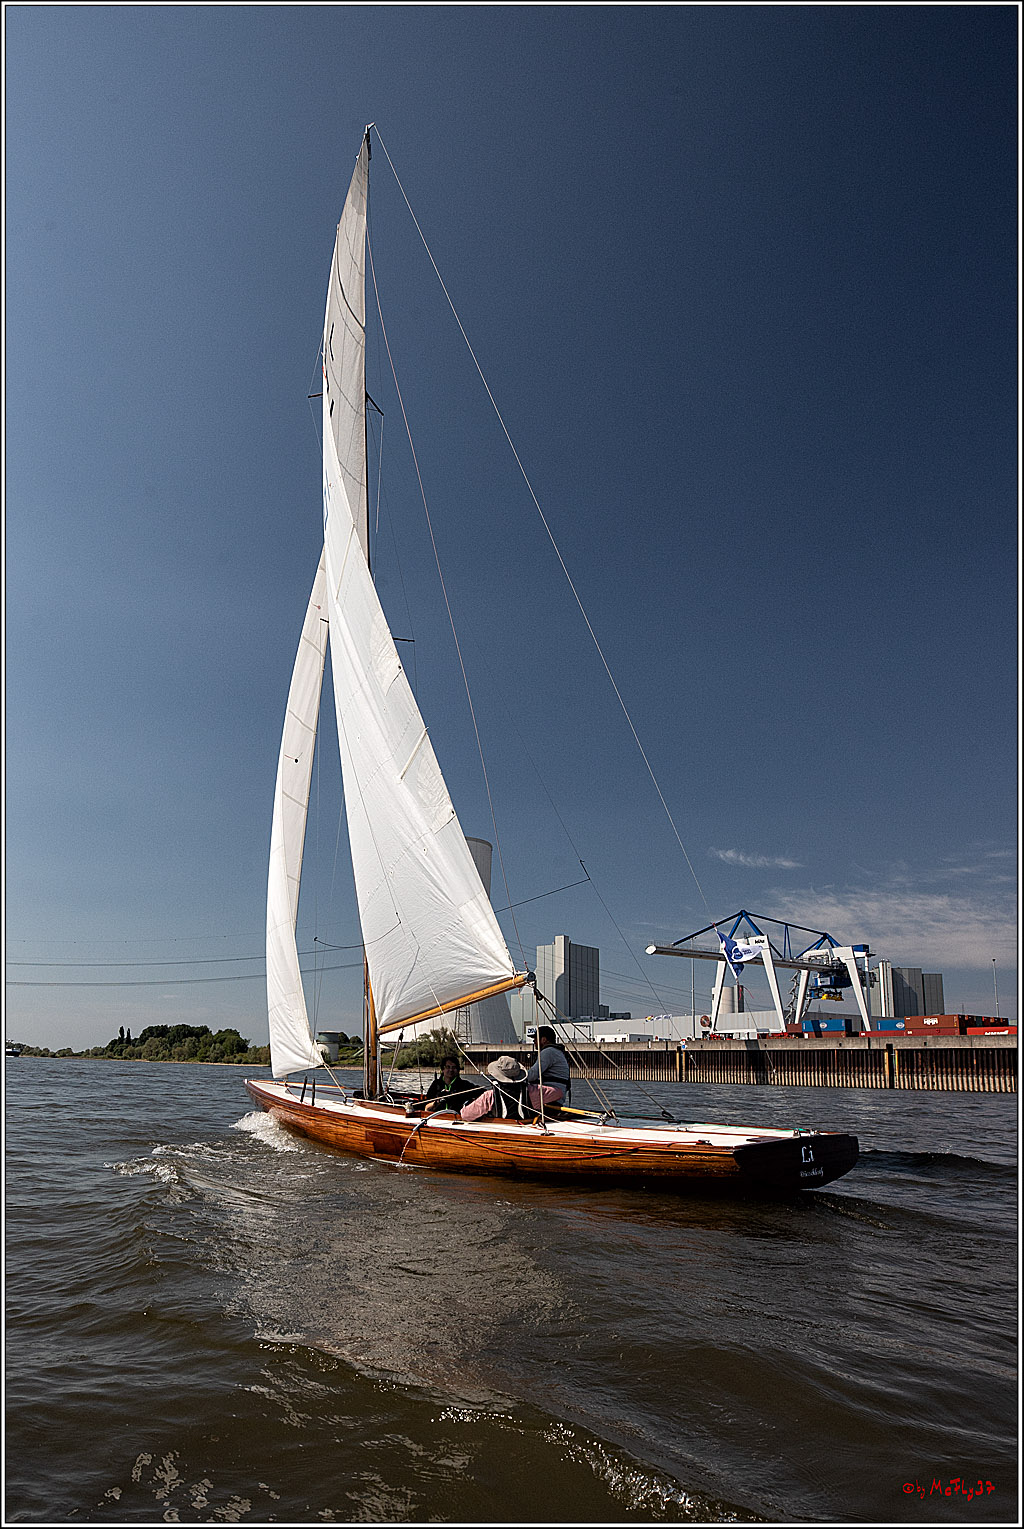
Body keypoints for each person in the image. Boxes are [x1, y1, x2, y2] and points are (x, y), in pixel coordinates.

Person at [459, 1055, 530, 1121]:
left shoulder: (489, 1096)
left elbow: (466, 1115)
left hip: (499, 1128)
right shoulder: (532, 1090)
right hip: (527, 1127)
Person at [525, 1026, 571, 1112]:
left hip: (551, 1097)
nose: (534, 1042)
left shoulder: (548, 1052)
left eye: (535, 1039)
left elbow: (532, 1075)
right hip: (557, 1096)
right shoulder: (556, 1051)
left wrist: (515, 1077)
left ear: (544, 1039)